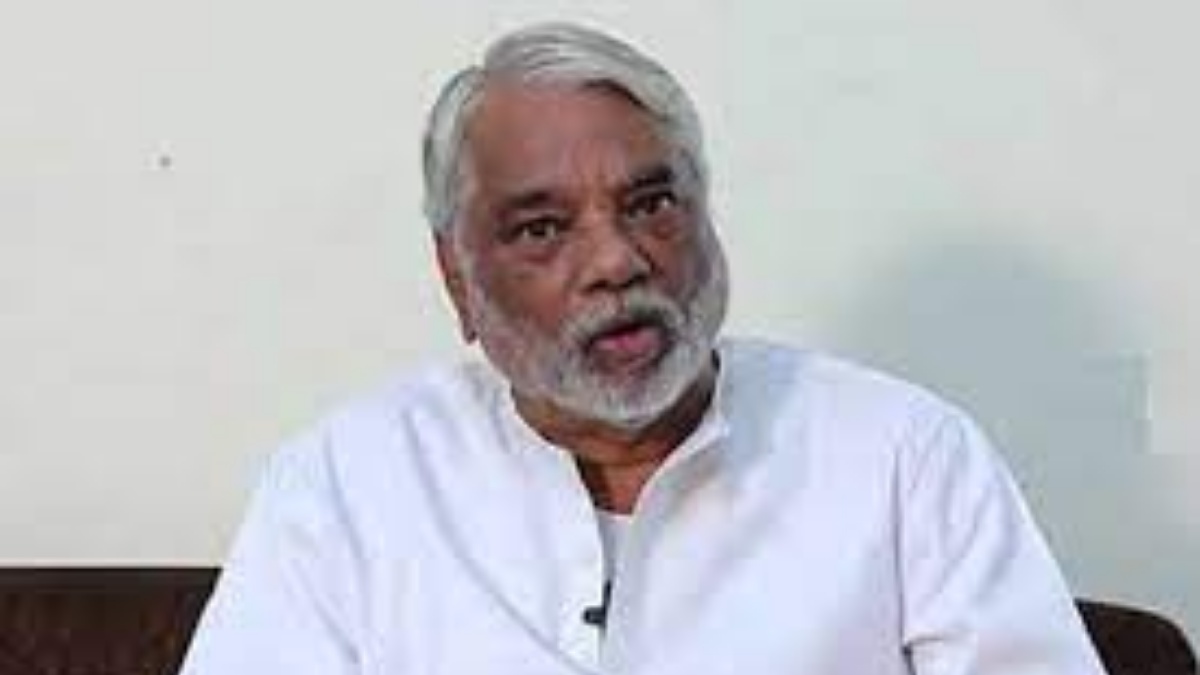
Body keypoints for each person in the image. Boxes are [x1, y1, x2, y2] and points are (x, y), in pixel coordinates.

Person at [180, 21, 1108, 675]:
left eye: (652, 203)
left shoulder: (905, 457)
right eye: (542, 228)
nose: (618, 261)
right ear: (458, 278)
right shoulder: (347, 487)